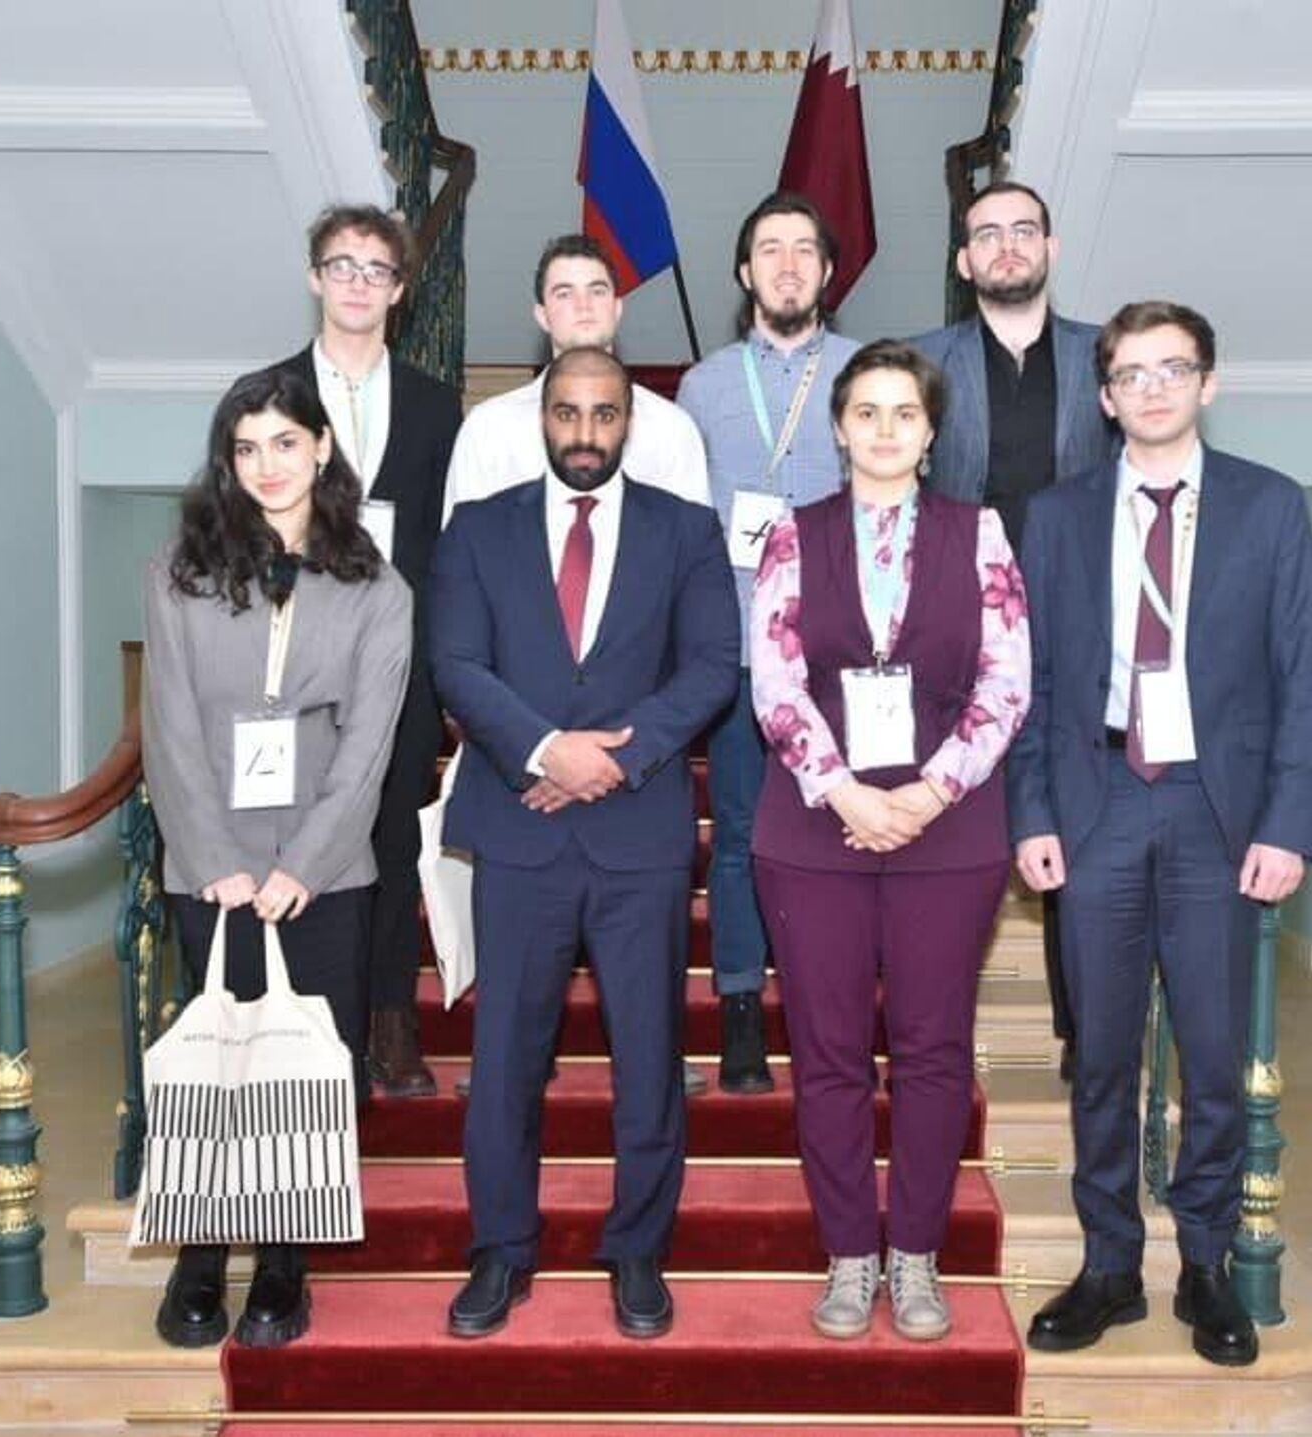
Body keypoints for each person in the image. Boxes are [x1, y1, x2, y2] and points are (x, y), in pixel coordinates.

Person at [1011, 302, 1312, 1367]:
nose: (1151, 389)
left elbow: (1302, 682)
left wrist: (1287, 824)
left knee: (1214, 1053)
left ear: (1208, 383)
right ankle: (1108, 1264)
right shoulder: (1057, 516)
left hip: (1214, 811)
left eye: (1171, 368)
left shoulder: (1269, 508)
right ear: (1105, 398)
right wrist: (1032, 811)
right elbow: (1032, 682)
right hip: (1097, 798)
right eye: (1131, 374)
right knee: (1100, 1055)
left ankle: (1203, 1260)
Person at [429, 348, 739, 1341]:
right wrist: (545, 750)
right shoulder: (479, 528)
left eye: (605, 414)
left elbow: (713, 666)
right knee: (504, 1060)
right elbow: (456, 664)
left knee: (648, 1056)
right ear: (543, 417)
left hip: (638, 837)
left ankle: (638, 1248)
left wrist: (621, 756)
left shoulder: (685, 530)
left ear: (628, 422)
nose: (586, 433)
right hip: (518, 829)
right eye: (568, 412)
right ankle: (500, 1249)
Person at [749, 341, 1031, 1341]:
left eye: (903, 412)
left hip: (947, 831)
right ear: (838, 427)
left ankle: (915, 1253)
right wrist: (841, 790)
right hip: (812, 830)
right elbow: (774, 679)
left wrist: (931, 787)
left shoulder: (978, 532)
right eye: (864, 411)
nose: (882, 429)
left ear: (930, 429)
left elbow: (1008, 679)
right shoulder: (793, 535)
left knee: (931, 1050)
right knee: (827, 1054)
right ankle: (848, 1254)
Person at [141, 366, 415, 1349]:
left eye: (285, 443)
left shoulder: (377, 586)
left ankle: (284, 1261)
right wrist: (211, 853)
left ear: (322, 448)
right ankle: (202, 1249)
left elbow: (369, 743)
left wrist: (305, 862)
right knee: (218, 1058)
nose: (267, 465)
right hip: (208, 862)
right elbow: (167, 720)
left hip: (324, 873)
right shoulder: (179, 570)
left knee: (307, 1067)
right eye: (246, 447)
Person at [914, 180, 1121, 1082]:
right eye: (988, 235)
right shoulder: (922, 362)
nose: (1007, 246)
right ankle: (932, 1027)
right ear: (964, 262)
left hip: (1077, 632)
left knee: (1076, 826)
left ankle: (1085, 1031)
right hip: (957, 634)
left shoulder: (1104, 357)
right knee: (953, 833)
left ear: (1050, 248)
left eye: (1023, 231)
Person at [271, 203, 461, 1099]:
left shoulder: (434, 403)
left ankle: (390, 1018)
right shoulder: (269, 395)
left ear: (399, 289)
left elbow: (445, 543)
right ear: (314, 277)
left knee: (390, 840)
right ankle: (311, 1025)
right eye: (341, 266)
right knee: (301, 837)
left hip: (400, 663)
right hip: (292, 663)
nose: (357, 283)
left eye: (376, 269)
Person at [676, 192, 861, 1094]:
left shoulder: (868, 374)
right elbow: (684, 526)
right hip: (741, 651)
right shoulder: (702, 387)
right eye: (769, 250)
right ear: (744, 273)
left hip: (839, 652)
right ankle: (742, 1005)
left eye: (803, 249)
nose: (787, 265)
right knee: (743, 833)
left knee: (837, 828)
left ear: (827, 271)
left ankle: (830, 1010)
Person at [441, 234, 709, 522]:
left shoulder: (671, 429)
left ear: (617, 308)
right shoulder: (488, 430)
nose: (584, 305)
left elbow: (693, 544)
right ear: (542, 315)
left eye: (597, 291)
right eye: (564, 293)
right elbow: (462, 545)